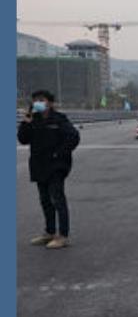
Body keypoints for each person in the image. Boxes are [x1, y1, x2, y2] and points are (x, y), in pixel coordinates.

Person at [17, 90, 80, 249]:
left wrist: (58, 153)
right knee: (45, 200)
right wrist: (26, 122)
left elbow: (74, 137)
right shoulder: (34, 119)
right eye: (35, 100)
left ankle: (63, 236)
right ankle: (50, 232)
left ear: (50, 103)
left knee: (57, 199)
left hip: (56, 166)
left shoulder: (59, 119)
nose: (37, 103)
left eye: (41, 100)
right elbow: (23, 140)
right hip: (39, 165)